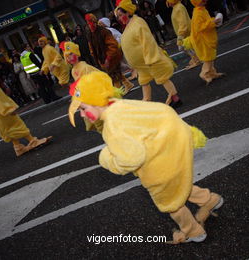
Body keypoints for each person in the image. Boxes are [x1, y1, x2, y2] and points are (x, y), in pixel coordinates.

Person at [68, 71, 224, 244]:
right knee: (178, 186)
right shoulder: (120, 104)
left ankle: (193, 232)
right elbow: (162, 111)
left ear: (96, 101)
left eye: (83, 109)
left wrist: (106, 159)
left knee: (170, 203)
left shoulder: (112, 126)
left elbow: (130, 160)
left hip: (157, 168)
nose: (82, 115)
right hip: (172, 154)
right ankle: (210, 200)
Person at [0, 61, 52, 157]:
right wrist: (8, 108)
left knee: (10, 129)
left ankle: (18, 148)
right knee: (17, 124)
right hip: (3, 110)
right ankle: (32, 141)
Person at [115, 0, 182, 107]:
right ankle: (147, 100)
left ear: (128, 12)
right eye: (117, 16)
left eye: (120, 15)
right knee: (144, 81)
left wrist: (151, 57)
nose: (119, 18)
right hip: (141, 64)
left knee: (162, 78)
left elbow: (147, 40)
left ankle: (175, 97)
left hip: (149, 60)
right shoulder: (128, 25)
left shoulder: (138, 22)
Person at [85, 13, 134, 94]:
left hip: (111, 56)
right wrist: (97, 57)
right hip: (103, 58)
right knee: (115, 73)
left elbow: (113, 45)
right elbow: (91, 47)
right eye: (88, 23)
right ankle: (127, 84)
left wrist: (108, 58)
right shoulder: (90, 34)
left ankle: (117, 92)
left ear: (94, 22)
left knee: (113, 74)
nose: (89, 25)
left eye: (90, 22)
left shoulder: (104, 31)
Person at [181, 0, 225, 85]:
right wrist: (212, 22)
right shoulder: (198, 13)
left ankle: (212, 73)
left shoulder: (201, 9)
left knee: (210, 56)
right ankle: (204, 74)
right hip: (202, 39)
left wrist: (213, 22)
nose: (205, 1)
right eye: (202, 0)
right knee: (208, 57)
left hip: (204, 37)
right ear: (196, 2)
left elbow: (204, 23)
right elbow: (200, 27)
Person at [166, 0, 201, 69]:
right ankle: (195, 58)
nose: (167, 3)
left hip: (184, 33)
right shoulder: (176, 7)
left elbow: (183, 23)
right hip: (184, 32)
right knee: (187, 47)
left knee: (185, 47)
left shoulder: (178, 8)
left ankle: (196, 60)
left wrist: (180, 36)